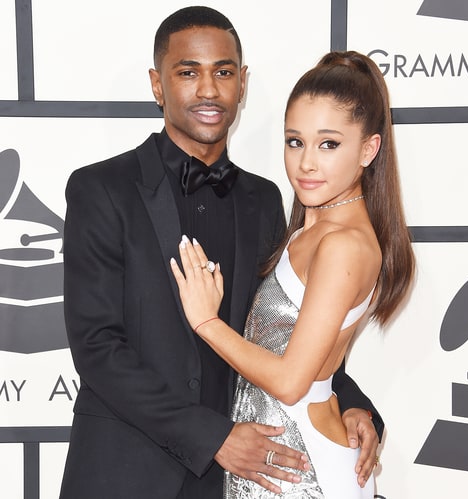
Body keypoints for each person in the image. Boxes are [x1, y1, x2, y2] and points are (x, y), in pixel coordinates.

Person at [59, 6, 384, 499]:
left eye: (224, 72)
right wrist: (213, 439)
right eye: (188, 72)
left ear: (243, 83)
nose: (209, 90)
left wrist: (355, 404)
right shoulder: (101, 189)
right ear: (157, 83)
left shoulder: (264, 199)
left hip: (235, 482)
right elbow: (98, 349)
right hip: (125, 472)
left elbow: (288, 332)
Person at [171, 49, 416, 498]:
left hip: (303, 469)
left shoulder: (343, 244)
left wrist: (207, 322)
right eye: (294, 141)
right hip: (277, 462)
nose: (306, 163)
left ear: (369, 148)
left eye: (329, 144)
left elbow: (290, 381)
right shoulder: (309, 224)